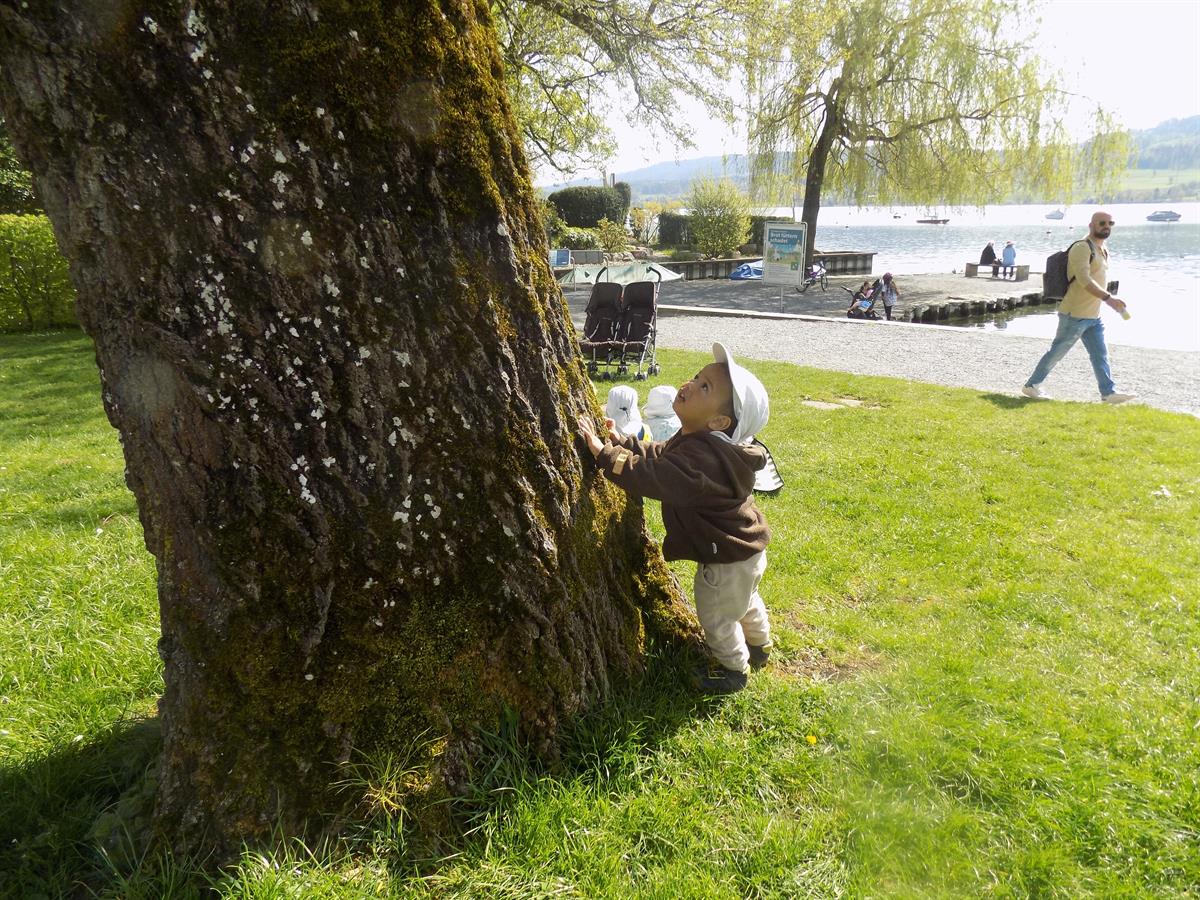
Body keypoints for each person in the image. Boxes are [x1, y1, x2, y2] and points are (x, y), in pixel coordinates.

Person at [577, 343, 772, 694]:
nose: (690, 384)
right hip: (746, 551)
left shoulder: (702, 463)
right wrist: (625, 443)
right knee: (744, 602)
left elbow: (655, 477)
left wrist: (607, 456)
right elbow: (661, 454)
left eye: (704, 387)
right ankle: (760, 646)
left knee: (718, 613)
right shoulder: (704, 444)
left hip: (727, 558)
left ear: (719, 422)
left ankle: (733, 669)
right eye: (697, 377)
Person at [1021, 211, 1135, 404]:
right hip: (1074, 314)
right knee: (1057, 352)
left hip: (1093, 316)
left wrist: (1108, 301)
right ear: (1091, 225)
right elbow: (1084, 280)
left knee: (1100, 355)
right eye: (1102, 223)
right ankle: (1031, 385)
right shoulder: (1082, 247)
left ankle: (1108, 393)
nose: (1106, 226)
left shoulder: (1102, 248)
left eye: (1110, 223)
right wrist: (1109, 299)